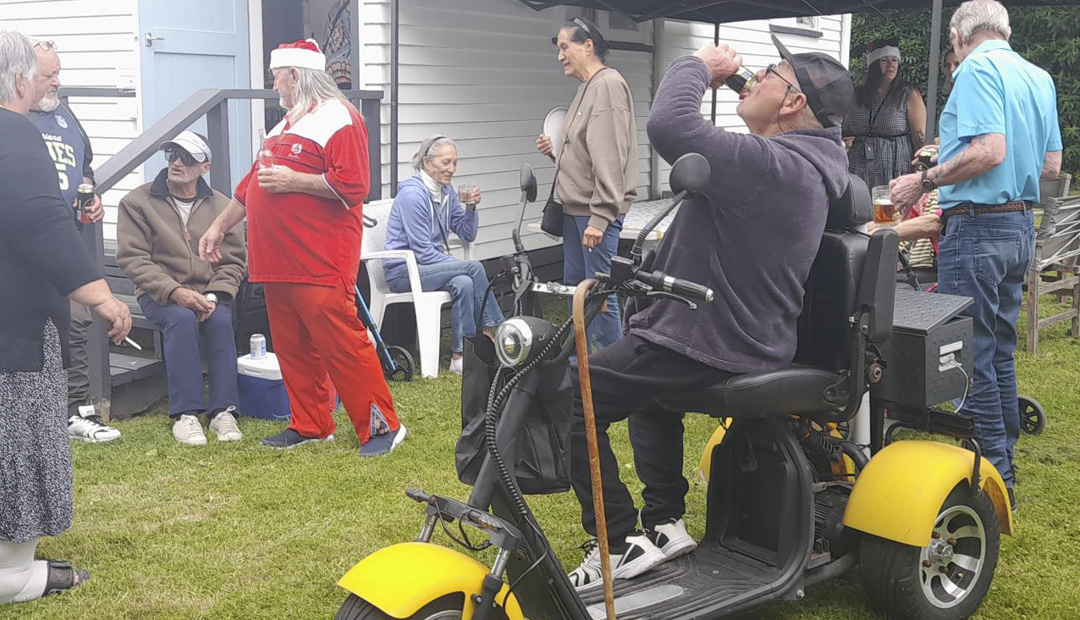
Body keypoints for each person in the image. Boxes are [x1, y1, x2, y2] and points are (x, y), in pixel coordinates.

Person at [565, 36, 853, 589]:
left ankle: (617, 542)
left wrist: (700, 66)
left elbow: (672, 126)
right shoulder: (793, 164)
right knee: (649, 397)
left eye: (771, 73)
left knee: (571, 392)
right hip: (718, 330)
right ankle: (665, 523)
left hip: (714, 337)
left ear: (793, 103)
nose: (758, 76)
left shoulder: (776, 165)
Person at [890, 0, 1062, 510]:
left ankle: (993, 483)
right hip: (1019, 224)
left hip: (978, 226)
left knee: (973, 355)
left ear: (960, 37)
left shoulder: (974, 68)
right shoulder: (1038, 76)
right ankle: (1003, 458)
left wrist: (924, 178)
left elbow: (989, 150)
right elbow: (1050, 164)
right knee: (999, 350)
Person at [199, 39, 405, 456]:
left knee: (343, 343)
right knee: (291, 345)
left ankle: (383, 427)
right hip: (275, 260)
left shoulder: (340, 118)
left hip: (318, 257)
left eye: (277, 75)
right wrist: (217, 227)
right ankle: (311, 423)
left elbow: (353, 185)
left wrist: (295, 182)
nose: (273, 84)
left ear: (295, 75)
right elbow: (248, 188)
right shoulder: (282, 127)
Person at [0, 29, 131, 603]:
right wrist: (101, 296)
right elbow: (39, 222)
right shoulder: (13, 132)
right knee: (20, 436)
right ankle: (12, 573)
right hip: (13, 329)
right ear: (20, 77)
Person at [116, 131, 246, 446]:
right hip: (158, 292)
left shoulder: (223, 205)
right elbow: (133, 260)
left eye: (187, 158)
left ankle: (222, 412)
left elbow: (234, 261)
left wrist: (213, 296)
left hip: (209, 292)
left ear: (205, 167)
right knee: (180, 318)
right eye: (172, 154)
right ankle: (186, 415)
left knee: (219, 319)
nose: (177, 163)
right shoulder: (137, 201)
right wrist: (175, 292)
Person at [28, 39, 121, 443]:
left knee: (78, 320)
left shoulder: (63, 112)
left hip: (67, 235)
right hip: (24, 241)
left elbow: (85, 167)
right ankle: (34, 415)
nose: (57, 83)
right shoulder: (12, 118)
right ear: (22, 77)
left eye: (58, 74)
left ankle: (77, 410)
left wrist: (91, 192)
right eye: (49, 75)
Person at [536, 18, 636, 353]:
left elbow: (609, 155)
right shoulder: (585, 88)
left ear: (588, 45)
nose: (559, 56)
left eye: (565, 47)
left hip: (592, 216)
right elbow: (585, 156)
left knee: (597, 296)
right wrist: (556, 153)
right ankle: (575, 366)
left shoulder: (608, 85)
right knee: (575, 291)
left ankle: (610, 369)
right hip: (574, 212)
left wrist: (601, 215)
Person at [384, 135, 504, 374]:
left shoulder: (445, 191)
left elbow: (467, 234)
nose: (452, 169)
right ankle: (490, 332)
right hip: (404, 272)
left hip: (430, 268)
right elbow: (422, 252)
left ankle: (460, 356)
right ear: (427, 163)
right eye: (446, 162)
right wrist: (457, 264)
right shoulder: (413, 195)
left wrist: (471, 208)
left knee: (464, 282)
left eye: (455, 163)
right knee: (472, 269)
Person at [844, 38, 928, 189]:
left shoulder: (908, 94)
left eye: (895, 60)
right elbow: (846, 128)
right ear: (874, 64)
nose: (891, 65)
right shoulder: (858, 94)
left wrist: (921, 173)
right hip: (860, 166)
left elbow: (919, 138)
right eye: (884, 60)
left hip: (895, 166)